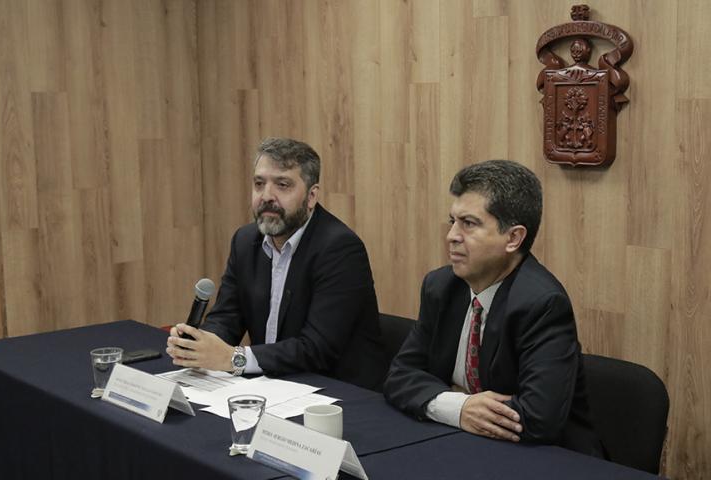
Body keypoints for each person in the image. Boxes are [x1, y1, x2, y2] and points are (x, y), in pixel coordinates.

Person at [383, 160, 603, 457]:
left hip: (547, 461)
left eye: (469, 224)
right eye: (453, 221)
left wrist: (441, 399)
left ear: (513, 238)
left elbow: (538, 420)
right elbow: (399, 376)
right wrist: (459, 407)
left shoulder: (542, 303)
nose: (452, 236)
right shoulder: (440, 287)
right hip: (462, 445)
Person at [167, 137, 385, 390]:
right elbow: (227, 317)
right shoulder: (245, 241)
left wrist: (233, 358)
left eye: (282, 185)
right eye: (259, 184)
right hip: (273, 385)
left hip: (336, 393)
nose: (266, 196)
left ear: (311, 196)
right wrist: (199, 345)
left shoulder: (340, 249)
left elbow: (316, 348)